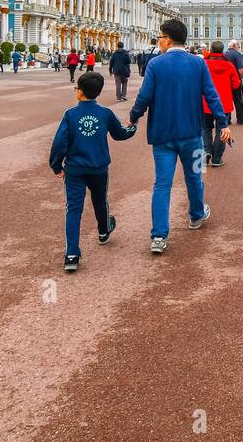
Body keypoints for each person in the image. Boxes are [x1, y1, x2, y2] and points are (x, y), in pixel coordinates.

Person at [128, 19, 231, 256]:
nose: (159, 41)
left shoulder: (155, 64)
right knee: (195, 178)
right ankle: (196, 215)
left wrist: (133, 118)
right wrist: (222, 122)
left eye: (160, 37)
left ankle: (158, 235)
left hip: (162, 136)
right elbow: (212, 95)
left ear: (167, 39)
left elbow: (144, 98)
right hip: (192, 134)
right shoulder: (198, 64)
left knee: (161, 184)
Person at [48, 70, 137, 273]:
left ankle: (71, 253)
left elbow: (59, 142)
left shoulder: (70, 114)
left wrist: (56, 165)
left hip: (75, 169)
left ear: (80, 92)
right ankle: (104, 230)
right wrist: (133, 128)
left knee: (73, 209)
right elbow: (120, 134)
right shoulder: (105, 113)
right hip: (98, 167)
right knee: (100, 200)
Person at [203, 41, 241, 166]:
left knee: (205, 128)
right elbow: (236, 84)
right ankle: (217, 159)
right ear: (222, 50)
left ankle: (206, 151)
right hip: (224, 103)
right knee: (222, 130)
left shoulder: (204, 64)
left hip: (205, 103)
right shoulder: (229, 65)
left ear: (211, 49)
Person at [225, 40, 243, 124]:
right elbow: (241, 69)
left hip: (226, 81)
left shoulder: (224, 54)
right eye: (238, 46)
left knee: (227, 100)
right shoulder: (237, 54)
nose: (239, 47)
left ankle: (227, 119)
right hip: (236, 81)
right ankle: (240, 118)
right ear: (235, 46)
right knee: (238, 100)